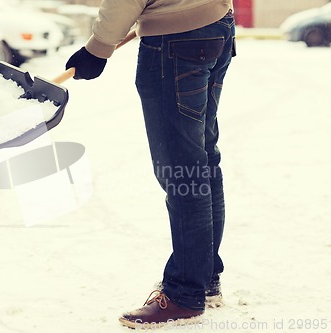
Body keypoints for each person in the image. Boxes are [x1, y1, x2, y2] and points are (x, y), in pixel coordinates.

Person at [65, 0, 236, 329]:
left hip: (176, 41)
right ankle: (204, 277)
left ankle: (185, 293)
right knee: (200, 159)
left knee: (182, 169)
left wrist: (98, 47)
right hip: (216, 26)